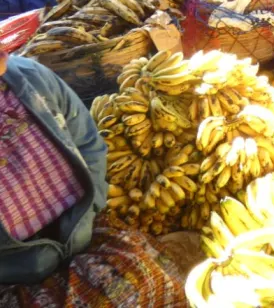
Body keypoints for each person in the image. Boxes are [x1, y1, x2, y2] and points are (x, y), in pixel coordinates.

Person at [0, 52, 187, 303]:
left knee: (152, 277)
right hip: (15, 273)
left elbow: (89, 144)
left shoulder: (33, 79)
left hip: (82, 228)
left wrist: (94, 204)